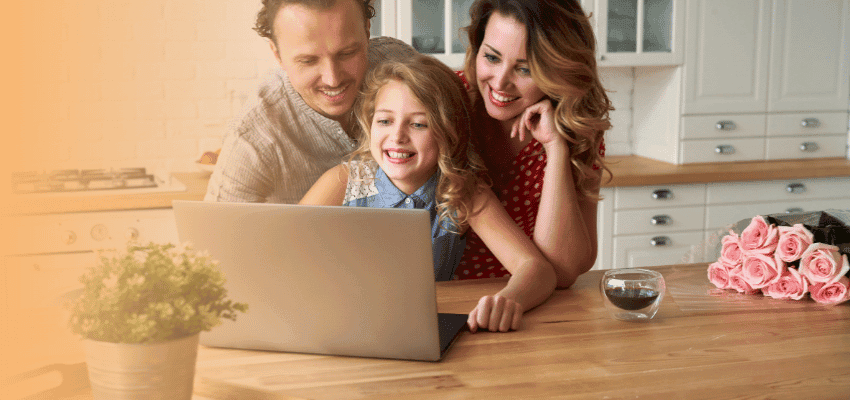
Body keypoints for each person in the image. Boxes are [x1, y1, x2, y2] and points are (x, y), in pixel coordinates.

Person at [300, 55, 557, 332]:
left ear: (448, 132)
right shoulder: (346, 181)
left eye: (419, 124)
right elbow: (283, 248)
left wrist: (509, 299)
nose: (398, 136)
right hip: (341, 323)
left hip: (420, 329)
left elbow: (536, 269)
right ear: (370, 123)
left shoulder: (461, 193)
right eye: (385, 121)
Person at [454, 0, 613, 291]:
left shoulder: (577, 128)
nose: (500, 82)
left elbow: (565, 271)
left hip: (536, 304)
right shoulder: (446, 102)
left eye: (524, 69)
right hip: (451, 299)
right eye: (491, 58)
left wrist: (556, 148)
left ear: (558, 71)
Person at [205, 0, 416, 204]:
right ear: (277, 54)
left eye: (347, 53)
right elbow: (216, 235)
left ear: (367, 31)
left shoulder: (404, 67)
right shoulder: (253, 138)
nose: (332, 79)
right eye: (308, 61)